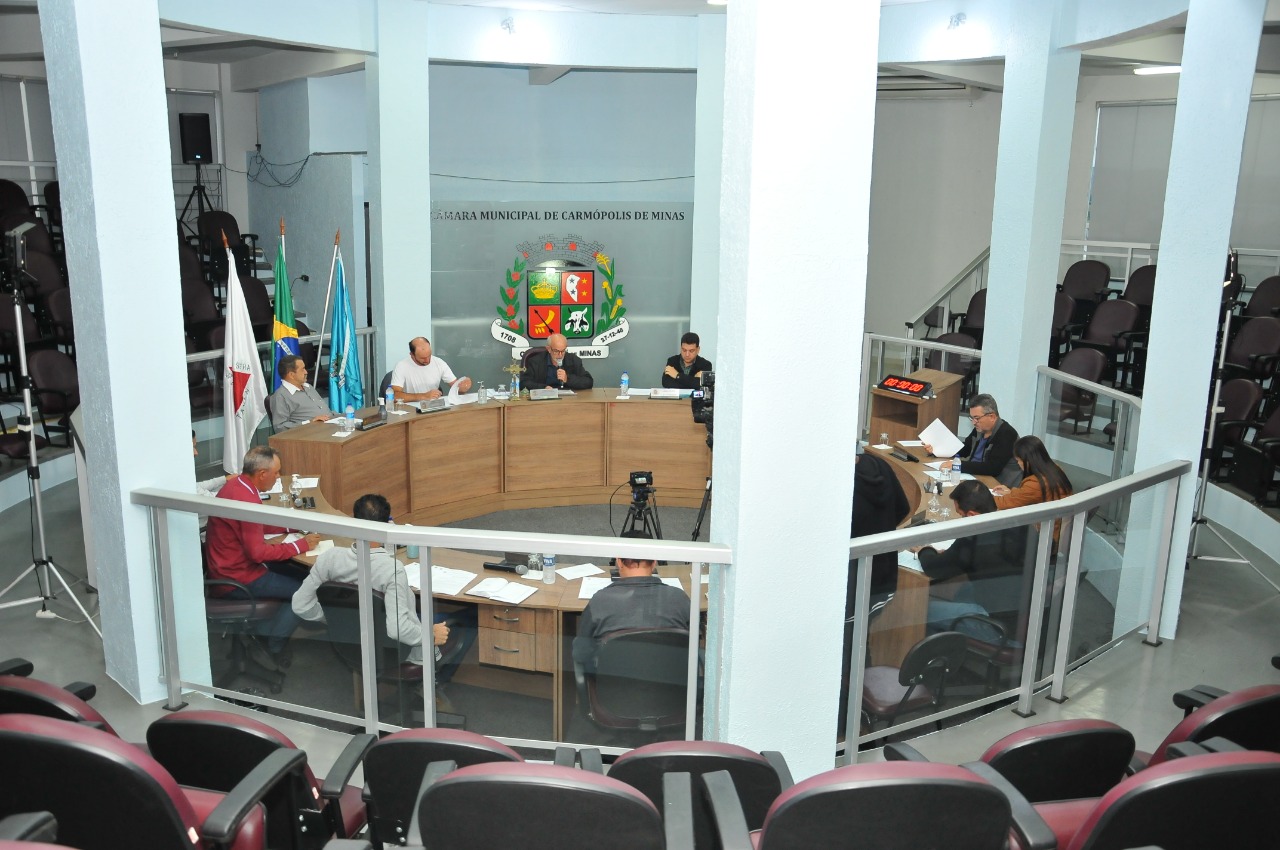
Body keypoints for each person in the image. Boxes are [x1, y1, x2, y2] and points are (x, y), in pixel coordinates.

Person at [292, 494, 447, 663]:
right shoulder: (392, 570)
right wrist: (430, 636)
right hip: (395, 653)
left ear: (354, 522)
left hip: (349, 643)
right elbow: (398, 629)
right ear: (386, 526)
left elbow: (300, 605)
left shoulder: (329, 559)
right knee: (460, 620)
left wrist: (336, 617)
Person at [205, 446, 319, 662]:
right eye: (276, 472)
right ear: (262, 474)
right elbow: (257, 553)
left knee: (304, 575)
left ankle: (268, 629)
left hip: (226, 567)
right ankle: (273, 644)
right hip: (235, 578)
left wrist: (289, 528)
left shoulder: (237, 486)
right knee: (304, 591)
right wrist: (300, 545)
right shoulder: (247, 501)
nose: (278, 477)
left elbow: (255, 526)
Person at [915, 480, 1028, 641]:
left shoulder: (973, 540)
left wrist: (925, 550)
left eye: (961, 515)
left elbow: (933, 569)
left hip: (997, 626)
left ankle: (940, 652)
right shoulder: (1022, 524)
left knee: (920, 610)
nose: (961, 519)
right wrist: (952, 556)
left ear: (972, 515)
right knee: (963, 589)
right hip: (1025, 616)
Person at [572, 530, 689, 672]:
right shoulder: (680, 599)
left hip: (613, 684)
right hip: (672, 684)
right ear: (654, 563)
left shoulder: (600, 601)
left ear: (619, 562)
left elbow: (580, 653)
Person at [850, 447, 911, 605]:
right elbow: (903, 508)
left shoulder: (843, 487)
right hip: (885, 580)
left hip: (853, 590)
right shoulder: (879, 464)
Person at [926, 393, 1020, 484]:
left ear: (992, 417)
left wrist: (959, 466)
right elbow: (964, 449)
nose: (974, 422)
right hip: (974, 477)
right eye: (972, 418)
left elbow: (993, 468)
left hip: (997, 484)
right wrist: (937, 450)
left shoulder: (1007, 434)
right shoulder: (979, 429)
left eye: (977, 418)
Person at [992, 435, 1074, 509]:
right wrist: (1011, 493)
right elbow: (1029, 494)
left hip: (1045, 520)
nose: (1018, 463)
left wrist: (986, 497)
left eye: (1018, 460)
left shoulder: (1035, 484)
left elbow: (1003, 503)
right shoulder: (1055, 469)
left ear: (1027, 461)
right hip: (1058, 517)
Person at [390, 337, 472, 402]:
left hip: (433, 406)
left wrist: (463, 386)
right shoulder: (401, 366)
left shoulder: (439, 362)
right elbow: (395, 396)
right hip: (411, 409)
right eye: (422, 358)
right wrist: (424, 396)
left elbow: (457, 388)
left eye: (429, 355)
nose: (427, 360)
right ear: (412, 355)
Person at [268, 354, 331, 430]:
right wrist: (309, 423)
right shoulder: (281, 396)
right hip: (312, 433)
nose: (306, 372)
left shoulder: (308, 387)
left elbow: (325, 411)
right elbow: (280, 427)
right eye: (302, 369)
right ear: (291, 375)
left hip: (330, 424)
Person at [523, 333, 594, 390]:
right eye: (556, 351)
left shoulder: (573, 360)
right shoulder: (536, 361)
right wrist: (543, 388)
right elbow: (524, 383)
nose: (560, 355)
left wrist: (567, 379)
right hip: (545, 399)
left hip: (568, 400)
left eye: (563, 351)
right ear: (549, 349)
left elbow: (588, 382)